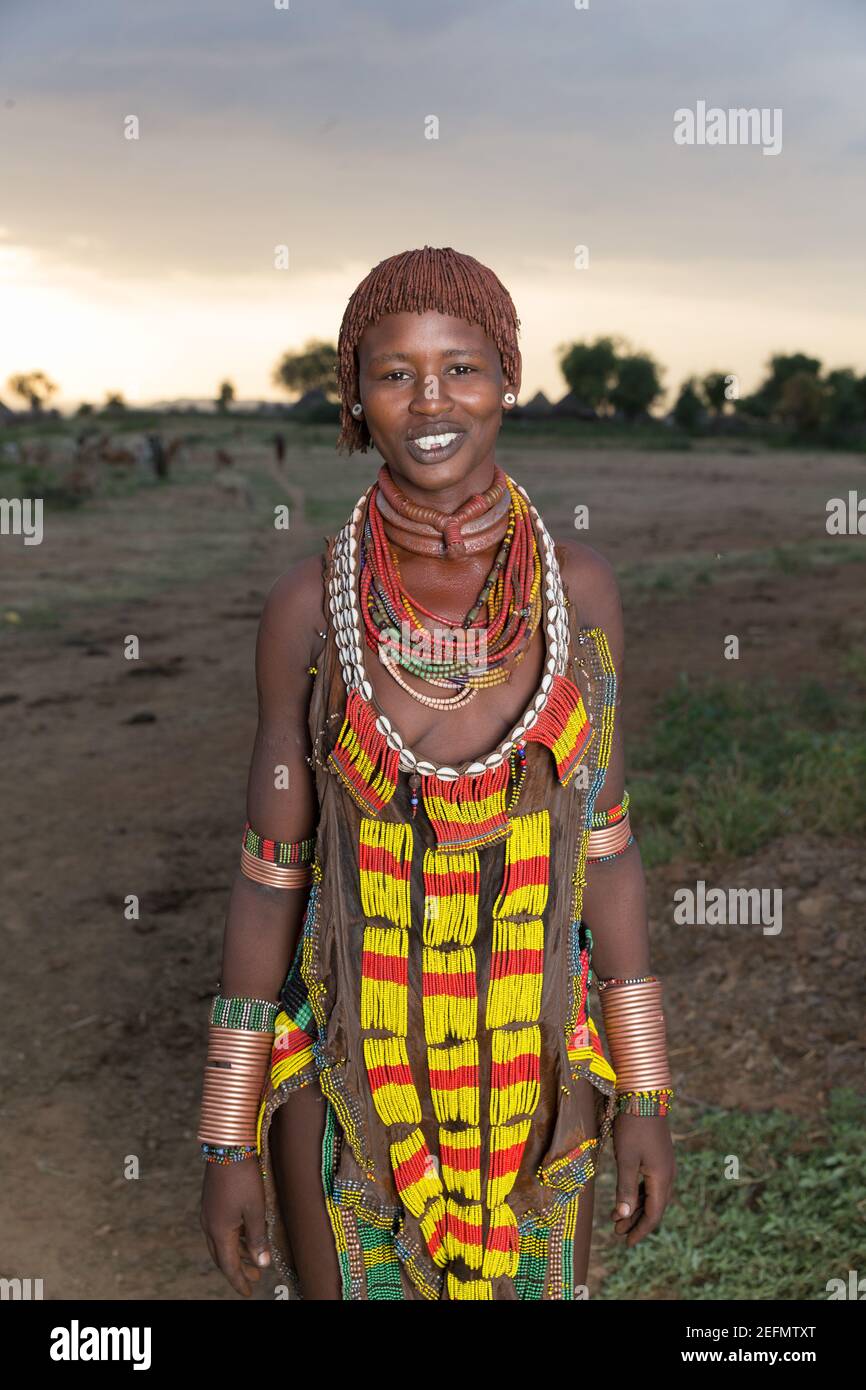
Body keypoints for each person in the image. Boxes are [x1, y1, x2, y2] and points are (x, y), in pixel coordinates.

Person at [198, 246, 676, 1301]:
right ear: (352, 398)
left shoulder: (576, 594)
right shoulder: (307, 608)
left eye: (460, 367)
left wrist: (640, 1087)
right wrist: (227, 1138)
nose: (429, 401)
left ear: (506, 377)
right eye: (394, 373)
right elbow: (270, 875)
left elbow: (608, 844)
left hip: (540, 1086)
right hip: (341, 1091)